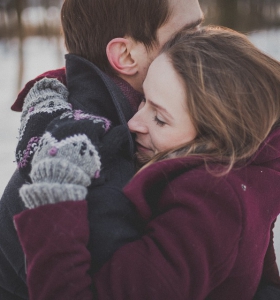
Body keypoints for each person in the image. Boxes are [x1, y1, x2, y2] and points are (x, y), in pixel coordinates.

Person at [13, 26, 280, 299]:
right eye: (143, 100)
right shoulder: (252, 170)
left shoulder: (209, 205)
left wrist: (54, 196)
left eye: (160, 118)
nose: (133, 123)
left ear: (217, 136)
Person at [0, 0, 203, 299]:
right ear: (125, 55)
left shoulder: (142, 129)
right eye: (189, 34)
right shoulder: (94, 166)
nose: (207, 44)